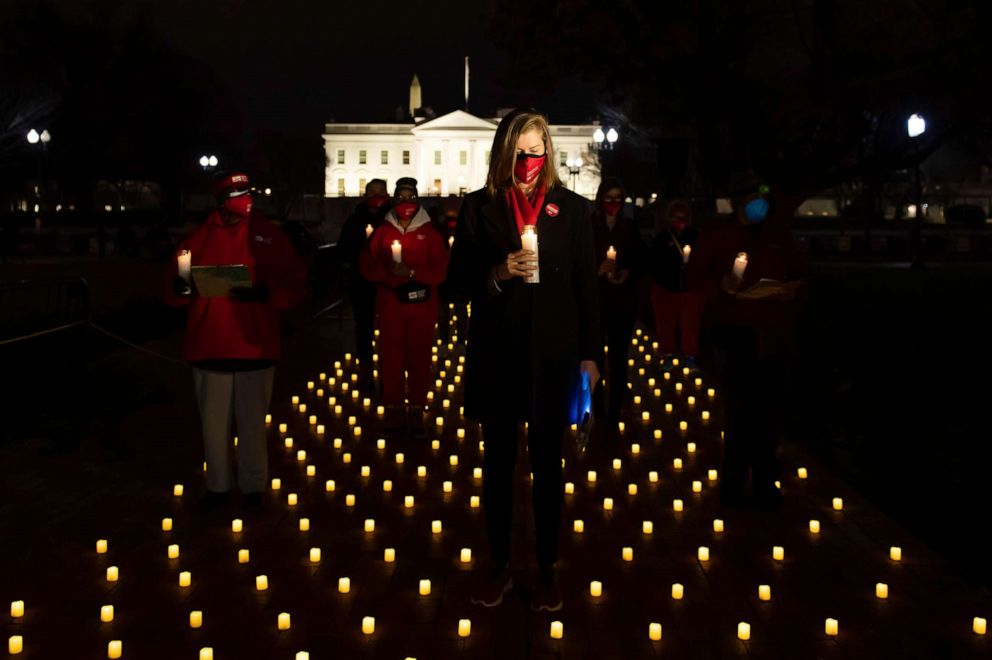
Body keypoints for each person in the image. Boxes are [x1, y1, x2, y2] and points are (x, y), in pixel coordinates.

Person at [448, 108, 600, 612]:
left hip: (553, 355)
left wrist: (591, 356)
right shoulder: (479, 209)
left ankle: (547, 566)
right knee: (497, 465)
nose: (529, 161)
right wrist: (498, 271)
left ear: (549, 153)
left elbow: (586, 288)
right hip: (498, 352)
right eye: (520, 151)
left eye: (537, 151)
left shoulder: (574, 210)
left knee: (548, 466)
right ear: (504, 152)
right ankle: (498, 562)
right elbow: (456, 286)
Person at [165, 172, 306, 513]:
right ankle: (218, 486)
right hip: (210, 344)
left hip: (254, 345)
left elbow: (294, 285)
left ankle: (254, 486)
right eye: (237, 193)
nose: (245, 198)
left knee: (253, 425)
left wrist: (267, 293)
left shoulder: (269, 237)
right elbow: (174, 291)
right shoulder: (197, 240)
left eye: (248, 192)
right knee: (213, 426)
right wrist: (181, 289)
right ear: (221, 199)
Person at [686, 175, 806, 509]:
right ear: (738, 203)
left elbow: (798, 272)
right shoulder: (718, 235)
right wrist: (720, 286)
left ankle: (767, 482)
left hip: (773, 334)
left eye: (762, 197)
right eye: (752, 197)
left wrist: (788, 292)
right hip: (734, 331)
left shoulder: (777, 235)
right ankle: (734, 483)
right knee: (739, 412)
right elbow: (694, 276)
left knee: (770, 412)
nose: (759, 203)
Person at [360, 177, 449, 437]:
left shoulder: (430, 234)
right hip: (391, 303)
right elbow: (367, 266)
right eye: (401, 197)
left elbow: (440, 271)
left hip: (422, 303)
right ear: (394, 199)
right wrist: (387, 270)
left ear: (418, 200)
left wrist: (411, 271)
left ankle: (417, 409)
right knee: (391, 357)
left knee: (420, 356)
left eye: (410, 197)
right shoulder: (383, 232)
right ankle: (394, 409)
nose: (406, 202)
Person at [590, 177, 645, 431]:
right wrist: (597, 269)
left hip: (622, 303)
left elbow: (641, 260)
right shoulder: (590, 227)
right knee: (595, 357)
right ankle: (597, 407)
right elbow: (578, 261)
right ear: (601, 200)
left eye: (618, 199)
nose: (613, 204)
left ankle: (615, 410)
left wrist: (626, 272)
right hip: (596, 301)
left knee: (619, 356)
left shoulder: (631, 227)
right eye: (608, 199)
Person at [337, 179, 391, 387]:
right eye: (372, 192)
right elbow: (344, 249)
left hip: (388, 284)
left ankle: (390, 369)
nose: (376, 196)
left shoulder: (393, 220)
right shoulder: (354, 221)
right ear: (365, 195)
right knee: (364, 325)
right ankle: (366, 366)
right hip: (362, 283)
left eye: (380, 192)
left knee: (389, 326)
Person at [649, 199, 704, 368]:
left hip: (689, 289)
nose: (679, 222)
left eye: (683, 217)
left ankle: (690, 355)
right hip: (665, 288)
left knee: (690, 325)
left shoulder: (695, 236)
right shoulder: (662, 237)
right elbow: (654, 262)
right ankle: (666, 353)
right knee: (665, 324)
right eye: (675, 218)